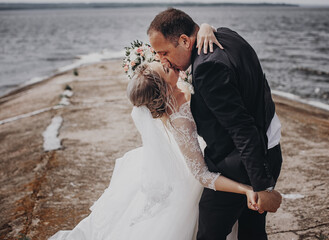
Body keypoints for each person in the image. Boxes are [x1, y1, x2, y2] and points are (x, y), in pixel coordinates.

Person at [48, 25, 259, 240]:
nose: (167, 62)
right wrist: (245, 189)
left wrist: (205, 27)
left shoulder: (180, 83)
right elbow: (202, 175)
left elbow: (190, 44)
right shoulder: (179, 120)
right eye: (165, 69)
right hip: (199, 169)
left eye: (162, 62)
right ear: (165, 89)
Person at [148, 8, 283, 240]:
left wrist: (263, 187)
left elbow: (242, 128)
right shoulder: (228, 35)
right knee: (252, 231)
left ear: (184, 40)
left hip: (240, 165)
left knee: (210, 234)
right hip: (269, 149)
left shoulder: (207, 69)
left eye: (164, 52)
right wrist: (206, 26)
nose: (162, 60)